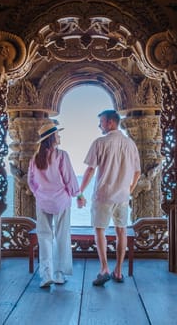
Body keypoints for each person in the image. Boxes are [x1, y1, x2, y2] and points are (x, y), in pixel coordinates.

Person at [77, 110, 141, 286]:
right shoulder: (130, 144)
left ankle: (104, 268)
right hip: (122, 196)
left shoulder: (100, 142)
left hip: (103, 195)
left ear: (111, 122)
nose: (100, 125)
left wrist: (80, 191)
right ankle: (118, 272)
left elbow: (90, 170)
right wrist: (129, 190)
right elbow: (137, 172)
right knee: (122, 231)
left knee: (99, 230)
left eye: (102, 122)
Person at [28, 121, 80, 288]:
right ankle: (58, 275)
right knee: (62, 236)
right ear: (51, 138)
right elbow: (69, 179)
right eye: (57, 134)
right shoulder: (62, 155)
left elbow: (31, 181)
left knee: (44, 238)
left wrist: (39, 194)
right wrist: (77, 194)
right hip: (61, 201)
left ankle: (46, 275)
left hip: (42, 201)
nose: (59, 136)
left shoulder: (35, 158)